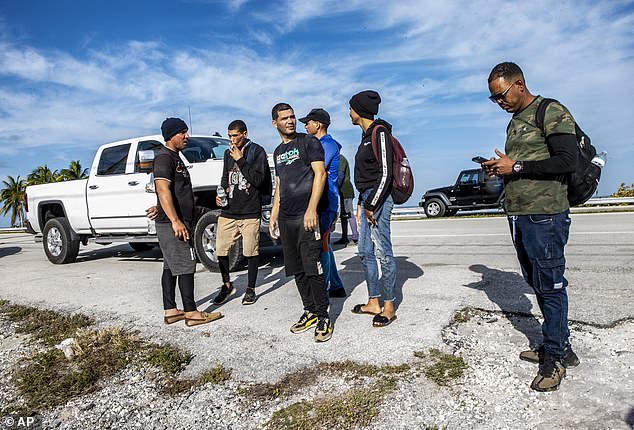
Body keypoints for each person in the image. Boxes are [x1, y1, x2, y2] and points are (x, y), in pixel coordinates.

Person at [483, 62, 580, 392]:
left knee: (551, 284)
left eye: (501, 95)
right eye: (493, 98)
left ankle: (555, 359)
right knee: (536, 280)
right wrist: (502, 169)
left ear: (519, 84)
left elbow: (568, 161)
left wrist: (517, 165)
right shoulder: (514, 123)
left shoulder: (550, 111)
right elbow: (519, 168)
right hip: (519, 214)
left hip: (546, 214)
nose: (499, 102)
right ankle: (559, 344)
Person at [269, 103, 333, 342]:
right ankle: (310, 311)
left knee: (312, 267)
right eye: (284, 118)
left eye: (292, 117)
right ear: (275, 122)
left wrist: (311, 210)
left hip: (306, 216)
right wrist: (274, 215)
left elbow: (321, 174)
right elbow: (279, 186)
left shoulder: (308, 142)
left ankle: (323, 316)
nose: (290, 121)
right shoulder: (276, 152)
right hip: (286, 218)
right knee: (296, 269)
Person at [153, 117, 222, 327]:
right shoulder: (165, 157)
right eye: (182, 132)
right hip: (174, 224)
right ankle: (192, 313)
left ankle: (171, 310)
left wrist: (160, 208)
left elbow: (172, 192)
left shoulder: (175, 157)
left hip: (173, 219)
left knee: (170, 266)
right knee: (185, 264)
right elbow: (162, 189)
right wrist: (175, 220)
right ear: (171, 135)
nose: (186, 136)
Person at [348, 90, 397, 328]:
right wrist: (361, 204)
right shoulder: (365, 136)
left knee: (383, 253)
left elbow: (386, 173)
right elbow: (365, 177)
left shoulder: (380, 132)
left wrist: (371, 204)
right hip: (366, 199)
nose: (349, 112)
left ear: (359, 110)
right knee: (364, 252)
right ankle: (373, 301)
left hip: (379, 199)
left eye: (351, 108)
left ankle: (388, 306)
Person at [212, 120, 271, 306]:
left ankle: (251, 289)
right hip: (229, 211)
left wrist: (240, 159)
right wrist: (220, 194)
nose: (232, 139)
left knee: (250, 252)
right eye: (229, 136)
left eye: (235, 135)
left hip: (250, 211)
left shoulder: (257, 151)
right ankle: (226, 284)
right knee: (220, 250)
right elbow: (225, 177)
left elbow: (259, 180)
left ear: (245, 133)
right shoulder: (228, 153)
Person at [299, 108, 346, 298]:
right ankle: (335, 286)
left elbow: (315, 170)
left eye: (308, 122)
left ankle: (324, 288)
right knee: (325, 242)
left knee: (322, 245)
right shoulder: (323, 144)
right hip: (324, 201)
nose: (305, 125)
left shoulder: (326, 145)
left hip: (327, 202)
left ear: (318, 124)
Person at [333, 154, 358, 245]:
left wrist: (333, 190)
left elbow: (340, 175)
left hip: (346, 190)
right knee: (343, 215)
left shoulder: (340, 159)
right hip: (341, 191)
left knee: (349, 213)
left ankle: (355, 237)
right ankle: (344, 237)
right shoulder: (337, 158)